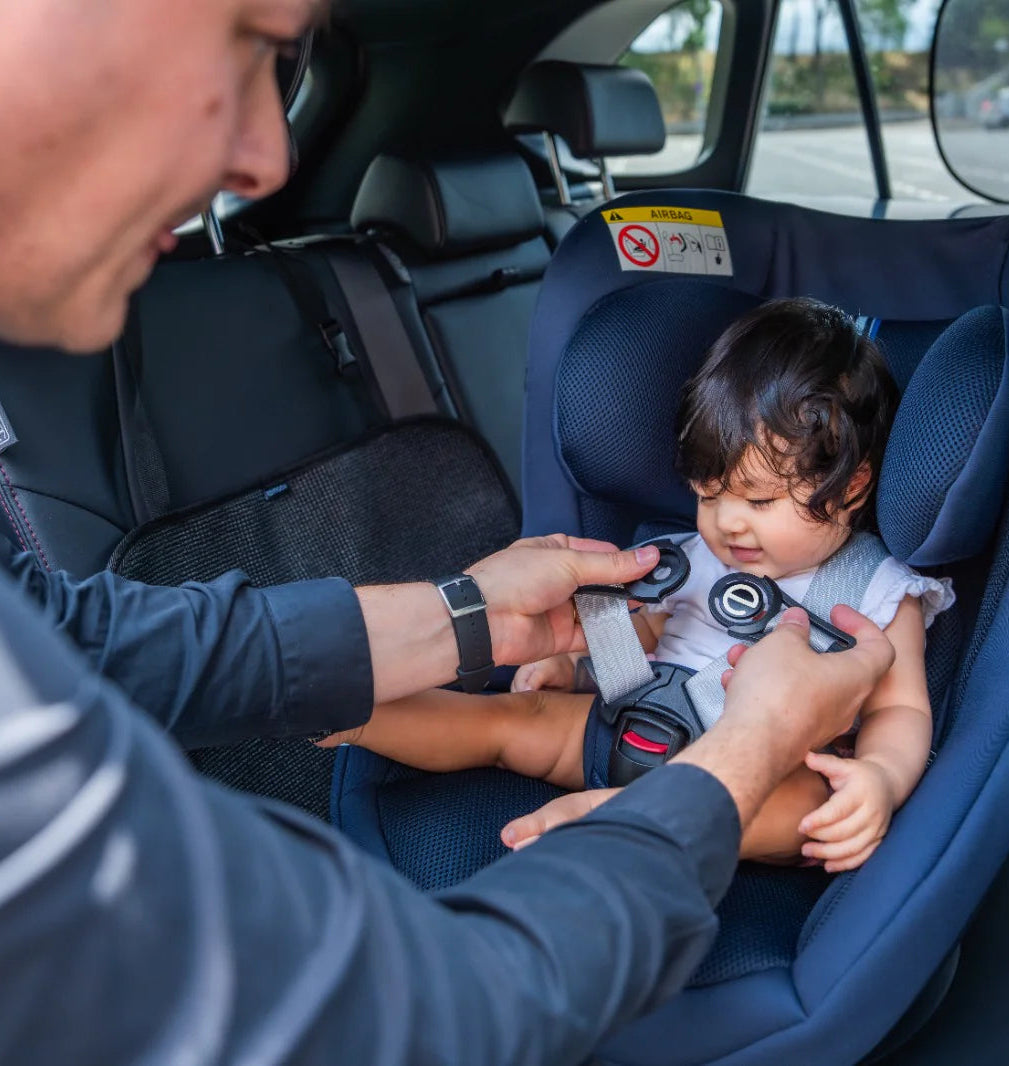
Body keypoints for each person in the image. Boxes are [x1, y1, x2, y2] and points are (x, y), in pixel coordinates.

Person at [0, 3, 895, 1063]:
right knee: (504, 733)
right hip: (652, 781)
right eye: (249, 42)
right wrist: (744, 749)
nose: (265, 154)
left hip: (686, 765)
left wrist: (466, 615)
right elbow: (428, 1023)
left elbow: (64, 632)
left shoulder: (875, 594)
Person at [323, 299, 952, 871]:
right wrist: (574, 667)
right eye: (709, 495)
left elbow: (900, 709)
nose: (728, 522)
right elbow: (638, 634)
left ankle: (612, 822)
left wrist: (878, 777)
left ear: (851, 487)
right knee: (510, 721)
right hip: (626, 724)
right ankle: (344, 710)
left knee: (806, 814)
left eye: (759, 500)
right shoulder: (690, 554)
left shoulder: (878, 592)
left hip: (759, 780)